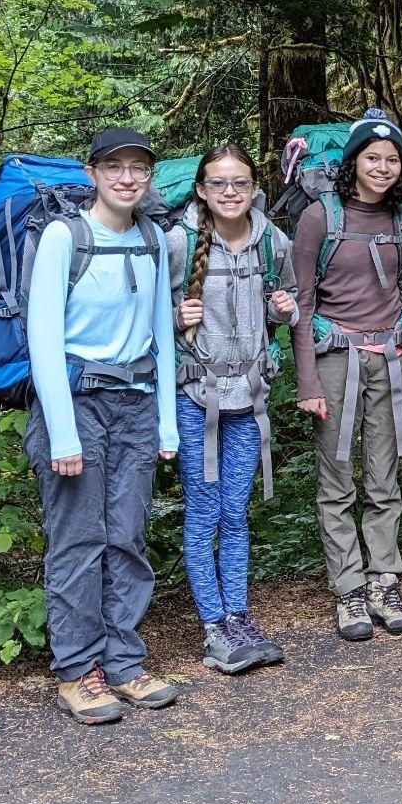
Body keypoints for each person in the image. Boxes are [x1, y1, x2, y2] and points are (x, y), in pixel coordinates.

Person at [25, 127, 180, 724]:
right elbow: (43, 338)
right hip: (76, 403)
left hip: (136, 405)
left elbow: (161, 333)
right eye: (114, 167)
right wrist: (63, 433)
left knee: (128, 538)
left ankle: (123, 661)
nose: (127, 178)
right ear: (91, 174)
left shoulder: (152, 238)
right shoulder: (64, 237)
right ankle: (77, 670)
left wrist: (167, 423)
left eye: (138, 167)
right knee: (78, 542)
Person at [291, 109, 402, 642]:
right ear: (353, 161)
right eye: (372, 157)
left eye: (392, 159)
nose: (382, 167)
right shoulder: (319, 218)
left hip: (390, 359)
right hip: (335, 359)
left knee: (384, 476)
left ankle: (384, 581)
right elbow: (302, 303)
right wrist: (307, 383)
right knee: (336, 477)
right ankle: (349, 589)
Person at [168, 144, 296, 674]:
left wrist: (284, 309)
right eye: (218, 183)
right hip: (195, 397)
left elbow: (289, 302)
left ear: (254, 188)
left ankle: (239, 617)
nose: (229, 192)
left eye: (240, 183)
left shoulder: (272, 241)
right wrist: (174, 318)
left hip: (250, 399)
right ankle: (214, 625)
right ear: (201, 189)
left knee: (235, 513)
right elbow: (148, 318)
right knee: (204, 512)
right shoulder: (178, 243)